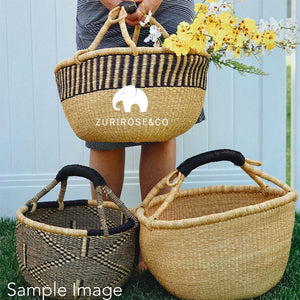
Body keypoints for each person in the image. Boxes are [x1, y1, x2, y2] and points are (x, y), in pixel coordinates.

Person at [76, 0, 205, 269]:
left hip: (167, 6)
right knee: (105, 128)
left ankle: (154, 241)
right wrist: (120, 5)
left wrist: (147, 5)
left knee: (161, 124)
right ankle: (108, 239)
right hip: (102, 10)